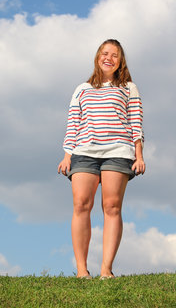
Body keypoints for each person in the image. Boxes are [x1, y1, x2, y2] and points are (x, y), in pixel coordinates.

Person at [58, 39, 145, 279]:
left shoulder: (128, 87)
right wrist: (67, 155)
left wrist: (139, 156)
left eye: (114, 55)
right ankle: (81, 271)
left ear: (120, 61)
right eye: (105, 53)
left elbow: (135, 121)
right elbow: (73, 123)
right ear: (98, 57)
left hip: (118, 151)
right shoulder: (82, 89)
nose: (109, 58)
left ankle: (106, 270)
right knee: (81, 205)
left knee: (112, 207)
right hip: (84, 151)